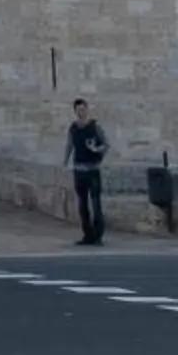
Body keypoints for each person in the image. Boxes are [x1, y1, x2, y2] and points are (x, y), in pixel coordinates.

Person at [65, 97, 110, 245]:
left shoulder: (95, 126)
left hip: (93, 169)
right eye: (78, 110)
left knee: (96, 204)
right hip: (79, 170)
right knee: (82, 205)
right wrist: (65, 161)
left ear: (87, 110)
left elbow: (106, 145)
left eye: (83, 109)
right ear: (75, 111)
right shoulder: (73, 128)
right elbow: (69, 145)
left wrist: (95, 149)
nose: (81, 112)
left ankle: (98, 236)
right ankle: (88, 235)